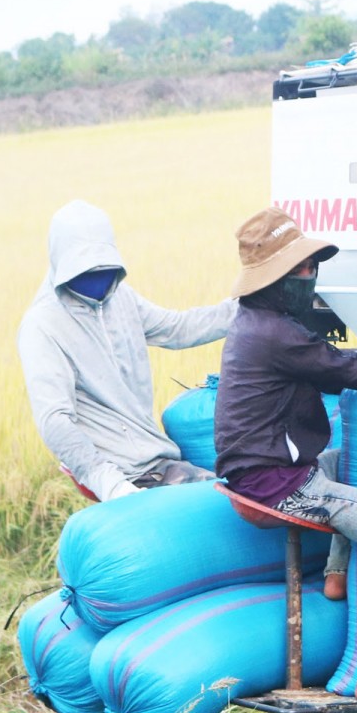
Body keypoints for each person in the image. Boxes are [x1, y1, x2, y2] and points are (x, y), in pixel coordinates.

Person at [213, 207, 357, 702]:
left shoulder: (256, 323)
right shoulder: (277, 334)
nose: (311, 274)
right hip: (283, 486)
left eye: (312, 265)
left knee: (351, 460)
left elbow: (337, 368)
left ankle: (337, 574)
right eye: (301, 268)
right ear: (276, 278)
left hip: (260, 476)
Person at [18, 200, 237, 502]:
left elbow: (177, 328)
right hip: (122, 472)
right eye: (85, 269)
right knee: (224, 505)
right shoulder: (43, 325)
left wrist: (247, 307)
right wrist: (111, 484)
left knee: (241, 491)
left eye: (103, 267)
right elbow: (54, 420)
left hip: (157, 460)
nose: (97, 276)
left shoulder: (120, 298)